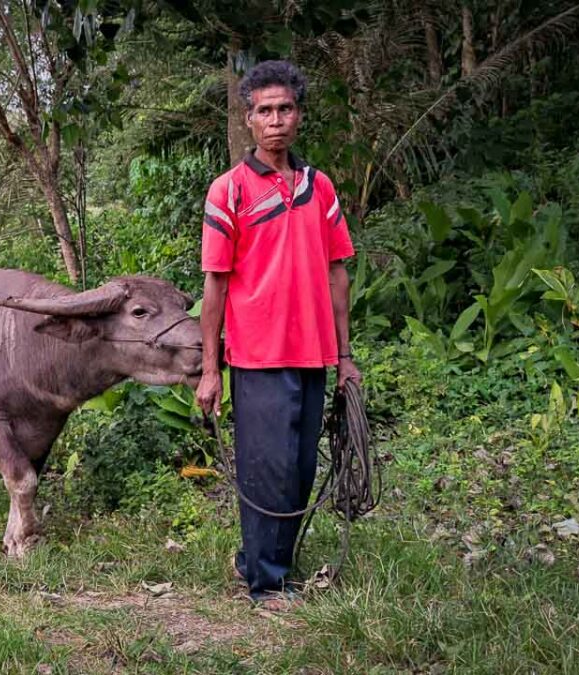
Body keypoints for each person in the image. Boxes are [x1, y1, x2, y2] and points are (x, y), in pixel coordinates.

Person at [194, 60, 361, 610]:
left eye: (284, 109)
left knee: (299, 470)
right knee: (266, 472)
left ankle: (260, 561)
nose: (275, 120)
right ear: (248, 120)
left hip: (312, 352)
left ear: (298, 116)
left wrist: (345, 357)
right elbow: (215, 286)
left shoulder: (321, 189)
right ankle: (267, 585)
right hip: (258, 356)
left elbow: (338, 273)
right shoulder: (229, 191)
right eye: (264, 111)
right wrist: (210, 367)